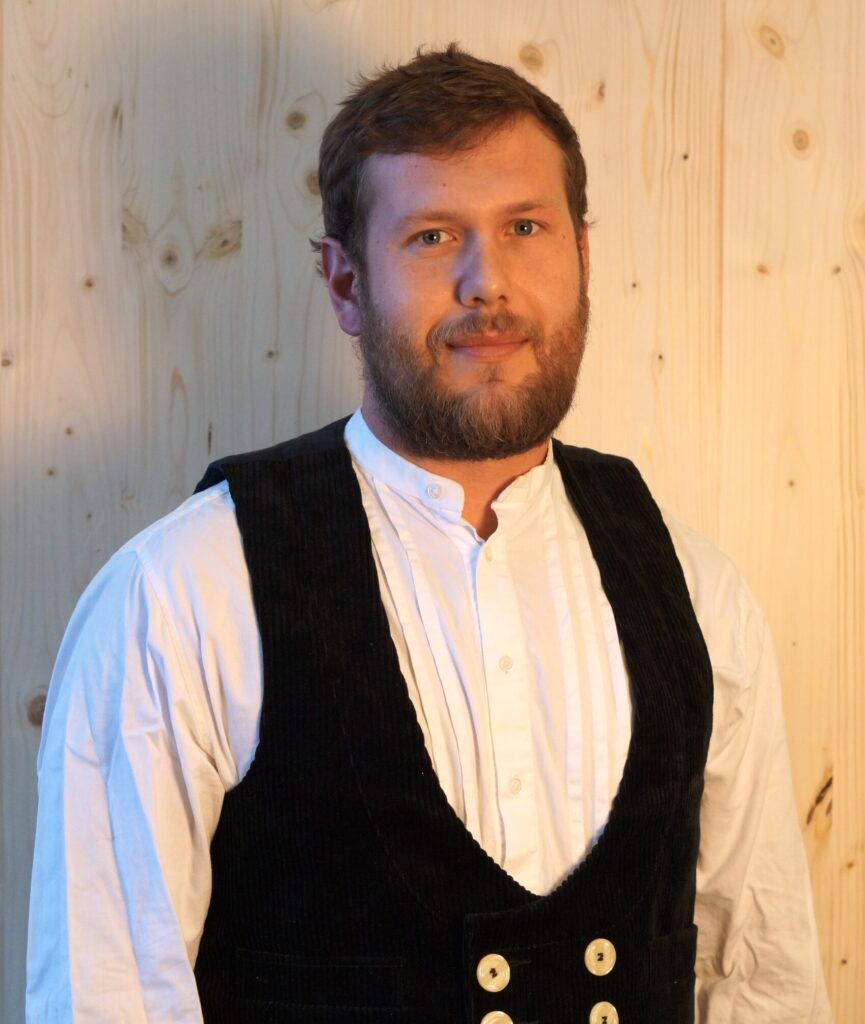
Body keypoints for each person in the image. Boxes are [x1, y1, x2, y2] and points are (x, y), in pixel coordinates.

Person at [27, 43, 831, 1024]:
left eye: (524, 227)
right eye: (432, 236)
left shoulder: (696, 594)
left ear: (581, 258)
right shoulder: (182, 593)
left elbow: (760, 979)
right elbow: (106, 997)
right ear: (344, 284)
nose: (487, 283)